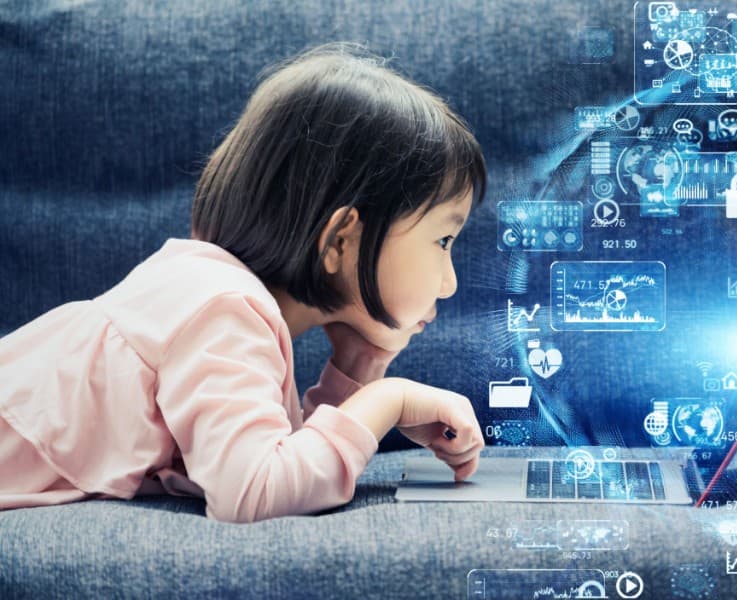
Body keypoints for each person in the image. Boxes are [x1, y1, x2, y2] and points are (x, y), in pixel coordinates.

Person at [0, 42, 487, 523]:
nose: (449, 284)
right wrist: (388, 400)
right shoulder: (222, 309)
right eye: (443, 241)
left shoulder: (218, 296)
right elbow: (255, 491)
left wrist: (358, 369)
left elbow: (283, 457)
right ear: (341, 241)